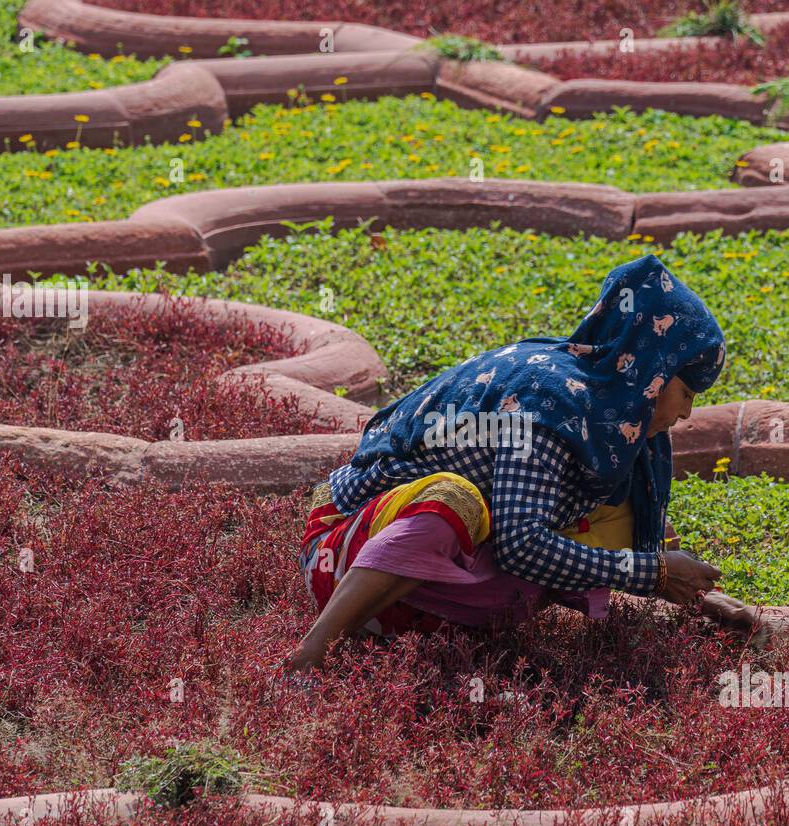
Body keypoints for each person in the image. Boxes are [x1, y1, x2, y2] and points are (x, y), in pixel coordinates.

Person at [288, 254, 758, 673]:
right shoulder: (546, 403)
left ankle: (420, 634)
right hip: (342, 553)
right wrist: (653, 573)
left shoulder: (615, 416)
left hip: (416, 587)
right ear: (653, 370)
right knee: (457, 501)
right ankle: (311, 655)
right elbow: (521, 547)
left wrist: (696, 596)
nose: (686, 414)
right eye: (687, 393)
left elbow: (637, 536)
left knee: (614, 510)